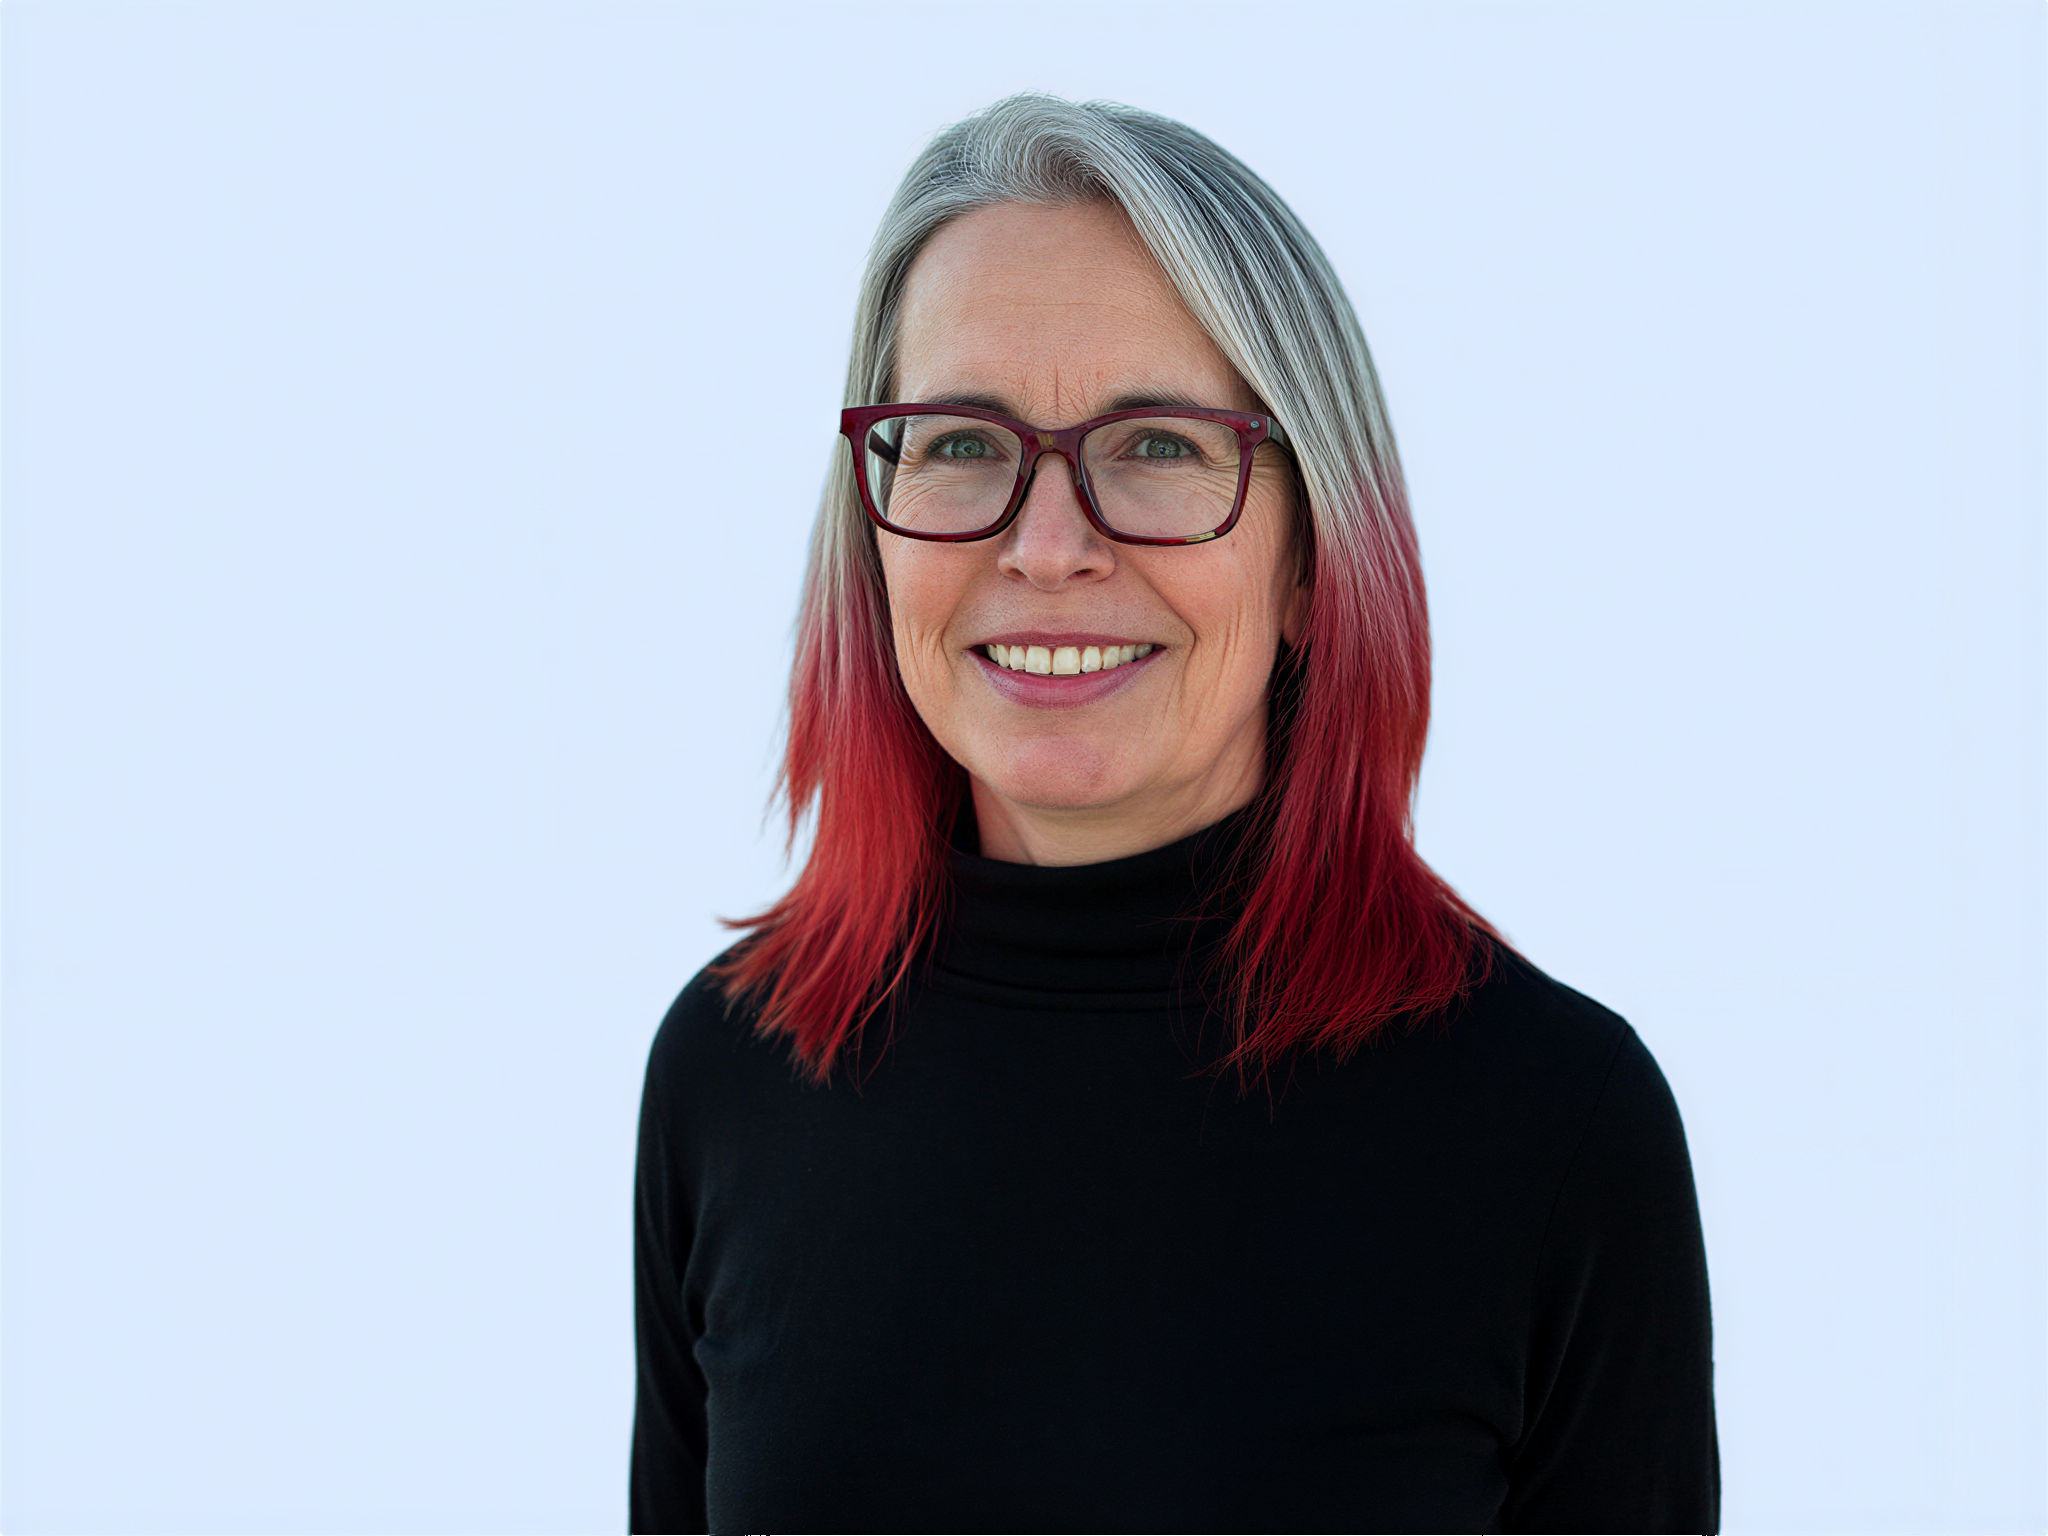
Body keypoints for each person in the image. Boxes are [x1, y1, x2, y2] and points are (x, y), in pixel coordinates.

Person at [631, 93, 1718, 1535]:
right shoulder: (732, 1070)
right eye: (959, 443)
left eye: (1155, 444)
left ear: (1315, 561)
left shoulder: (1560, 1129)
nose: (1048, 546)